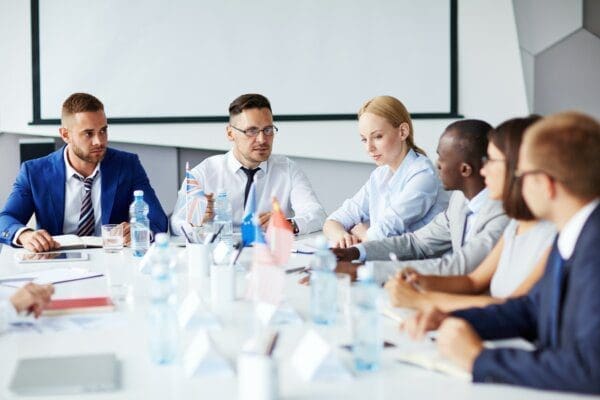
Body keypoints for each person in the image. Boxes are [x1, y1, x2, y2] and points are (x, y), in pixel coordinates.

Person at [403, 112, 600, 394]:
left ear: (546, 184)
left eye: (521, 174)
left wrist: (479, 359)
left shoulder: (594, 248)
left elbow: (590, 369)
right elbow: (531, 309)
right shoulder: (573, 235)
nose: (516, 184)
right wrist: (455, 320)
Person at [385, 116, 556, 311]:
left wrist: (423, 301)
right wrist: (418, 281)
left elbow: (515, 308)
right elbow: (473, 281)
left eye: (491, 161)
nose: (483, 170)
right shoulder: (518, 224)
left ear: (518, 168)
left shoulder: (551, 234)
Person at [333, 120, 510, 283]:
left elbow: (458, 267)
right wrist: (355, 252)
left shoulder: (503, 213)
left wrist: (361, 270)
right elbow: (418, 242)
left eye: (442, 158)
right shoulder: (460, 200)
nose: (437, 164)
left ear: (465, 169)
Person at [0, 93, 168, 252]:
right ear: (65, 135)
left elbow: (158, 219)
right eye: (89, 133)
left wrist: (140, 230)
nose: (99, 141)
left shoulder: (127, 165)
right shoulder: (34, 171)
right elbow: (5, 219)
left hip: (112, 259)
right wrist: (24, 235)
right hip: (56, 260)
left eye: (103, 130)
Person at [170, 93, 326, 235]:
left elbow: (317, 214)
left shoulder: (287, 169)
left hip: (269, 254)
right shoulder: (204, 173)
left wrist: (288, 224)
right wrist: (195, 221)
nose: (262, 140)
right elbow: (176, 223)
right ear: (230, 133)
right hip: (221, 254)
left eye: (268, 130)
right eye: (251, 131)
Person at [323, 96, 448, 248]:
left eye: (377, 137)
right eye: (364, 139)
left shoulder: (424, 174)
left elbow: (381, 235)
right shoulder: (380, 175)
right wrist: (344, 236)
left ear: (402, 132)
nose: (369, 148)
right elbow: (332, 222)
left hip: (420, 267)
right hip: (383, 261)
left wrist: (362, 232)